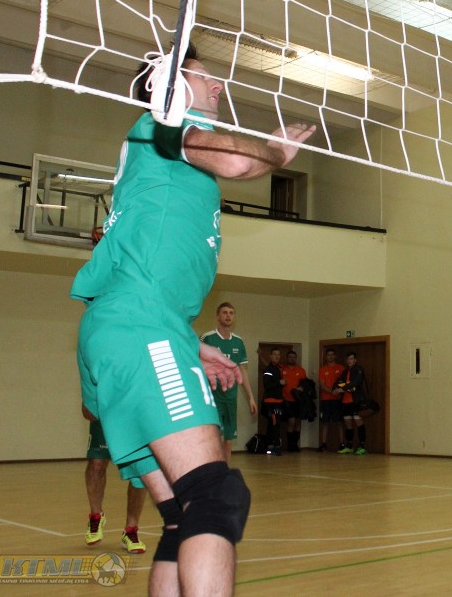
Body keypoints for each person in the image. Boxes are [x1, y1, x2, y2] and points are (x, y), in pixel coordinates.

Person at [71, 43, 315, 596]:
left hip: (126, 325)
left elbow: (139, 278)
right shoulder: (164, 122)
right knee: (214, 497)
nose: (219, 86)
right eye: (205, 78)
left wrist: (187, 343)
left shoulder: (156, 157)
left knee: (183, 518)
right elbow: (240, 162)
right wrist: (276, 152)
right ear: (170, 87)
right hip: (141, 326)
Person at [83, 408, 149, 554]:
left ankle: (130, 531)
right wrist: (88, 400)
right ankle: (96, 516)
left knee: (139, 471)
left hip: (134, 413)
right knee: (96, 464)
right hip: (106, 410)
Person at [200, 302, 257, 461]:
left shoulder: (238, 342)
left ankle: (225, 471)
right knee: (215, 438)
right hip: (212, 397)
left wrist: (251, 397)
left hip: (231, 398)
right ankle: (214, 469)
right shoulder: (207, 338)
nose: (228, 316)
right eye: (224, 312)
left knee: (228, 440)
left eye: (231, 313)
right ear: (218, 316)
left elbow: (242, 371)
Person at [335, 351, 369, 455]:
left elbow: (356, 382)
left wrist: (343, 388)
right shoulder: (345, 371)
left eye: (351, 359)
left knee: (358, 421)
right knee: (348, 422)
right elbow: (338, 382)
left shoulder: (359, 370)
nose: (349, 361)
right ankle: (349, 446)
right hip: (346, 401)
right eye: (348, 359)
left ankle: (362, 446)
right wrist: (335, 389)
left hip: (356, 401)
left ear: (355, 360)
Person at [317, 348, 346, 452]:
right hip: (326, 400)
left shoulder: (341, 368)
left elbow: (344, 383)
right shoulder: (322, 369)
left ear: (335, 356)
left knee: (339, 421)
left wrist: (338, 391)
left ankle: (342, 444)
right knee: (325, 422)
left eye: (332, 354)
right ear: (326, 357)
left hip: (338, 400)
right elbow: (322, 385)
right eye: (328, 355)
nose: (330, 356)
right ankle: (324, 444)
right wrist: (332, 391)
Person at [280, 349, 307, 452]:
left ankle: (295, 444)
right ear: (287, 358)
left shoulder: (301, 370)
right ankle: (290, 444)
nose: (292, 359)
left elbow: (305, 384)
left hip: (298, 400)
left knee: (298, 422)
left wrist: (302, 388)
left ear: (296, 358)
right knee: (291, 421)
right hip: (287, 400)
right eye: (290, 357)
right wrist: (260, 356)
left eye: (293, 357)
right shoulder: (282, 368)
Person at [261, 347, 286, 455]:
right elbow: (267, 385)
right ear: (270, 356)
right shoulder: (268, 369)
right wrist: (279, 383)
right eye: (275, 354)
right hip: (271, 402)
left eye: (278, 354)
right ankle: (276, 446)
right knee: (275, 423)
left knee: (273, 423)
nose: (277, 356)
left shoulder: (278, 368)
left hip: (278, 401)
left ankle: (269, 445)